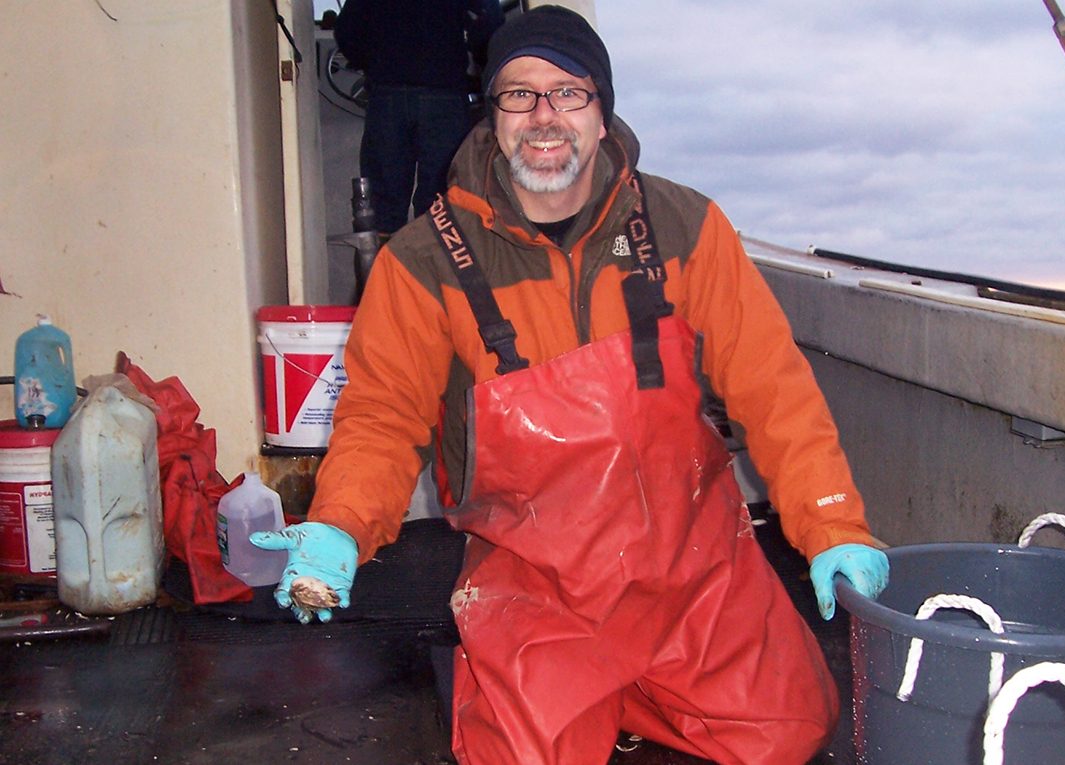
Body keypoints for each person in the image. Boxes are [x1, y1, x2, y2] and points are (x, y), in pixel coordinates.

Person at [253, 6, 889, 763]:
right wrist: (340, 525)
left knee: (788, 731)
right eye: (519, 94)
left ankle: (623, 688)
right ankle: (564, 684)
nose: (545, 116)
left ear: (602, 109)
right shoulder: (421, 261)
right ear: (492, 115)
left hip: (690, 564)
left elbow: (773, 387)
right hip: (536, 577)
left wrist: (832, 523)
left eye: (568, 92)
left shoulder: (689, 226)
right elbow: (384, 416)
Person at [334, 0, 503, 231]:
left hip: (387, 94)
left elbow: (347, 32)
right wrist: (484, 67)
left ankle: (383, 264)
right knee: (442, 204)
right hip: (444, 95)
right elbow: (489, 26)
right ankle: (433, 263)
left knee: (380, 209)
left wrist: (374, 64)